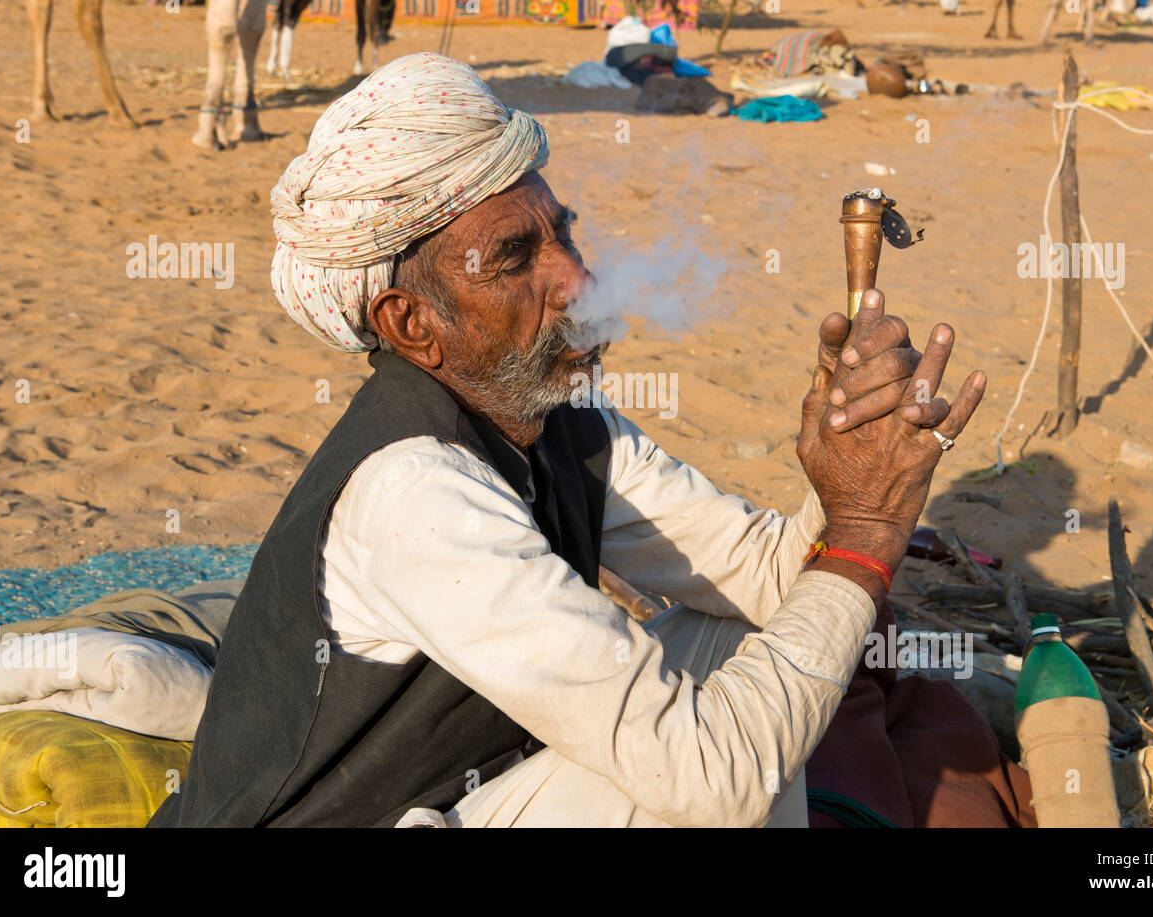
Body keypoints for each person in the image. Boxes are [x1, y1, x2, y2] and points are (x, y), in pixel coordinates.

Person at [149, 52, 1000, 828]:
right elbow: (720, 775)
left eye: (564, 233)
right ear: (411, 323)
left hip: (462, 791)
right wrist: (863, 539)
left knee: (767, 657)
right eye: (517, 257)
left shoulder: (556, 421)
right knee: (721, 769)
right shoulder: (414, 494)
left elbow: (776, 582)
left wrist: (852, 469)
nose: (577, 279)